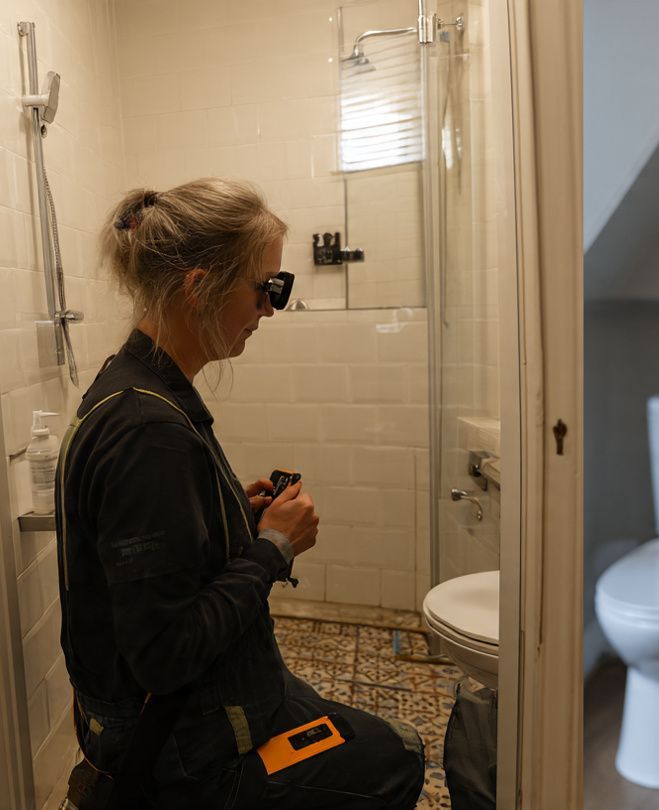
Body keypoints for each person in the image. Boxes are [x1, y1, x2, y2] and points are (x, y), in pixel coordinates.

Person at [58, 178, 425, 808]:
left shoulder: (135, 384)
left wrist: (234, 518)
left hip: (189, 708)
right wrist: (273, 549)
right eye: (266, 289)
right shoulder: (149, 429)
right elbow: (165, 656)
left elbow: (155, 564)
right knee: (400, 755)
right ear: (199, 288)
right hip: (182, 750)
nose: (271, 309)